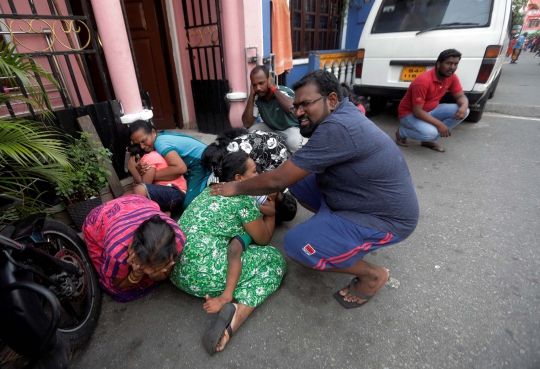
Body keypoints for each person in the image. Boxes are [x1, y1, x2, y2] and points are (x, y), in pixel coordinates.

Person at [210, 69, 419, 310]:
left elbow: (277, 181)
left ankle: (373, 275)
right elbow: (285, 176)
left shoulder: (338, 128)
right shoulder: (341, 115)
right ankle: (333, 235)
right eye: (296, 106)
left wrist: (235, 187)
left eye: (306, 104)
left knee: (297, 245)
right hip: (362, 198)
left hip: (386, 219)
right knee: (295, 178)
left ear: (331, 100)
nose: (298, 112)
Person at [170, 150, 286, 355]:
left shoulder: (210, 190)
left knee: (238, 242)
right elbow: (264, 238)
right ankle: (237, 313)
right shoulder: (243, 200)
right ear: (239, 179)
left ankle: (230, 301)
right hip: (205, 278)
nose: (258, 175)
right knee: (274, 259)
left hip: (176, 271)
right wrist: (273, 205)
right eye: (254, 172)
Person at [82, 195, 185, 302]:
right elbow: (118, 285)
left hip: (136, 202)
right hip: (98, 217)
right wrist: (136, 274)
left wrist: (155, 274)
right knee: (118, 290)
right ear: (132, 247)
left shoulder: (178, 240)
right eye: (143, 264)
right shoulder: (117, 252)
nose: (147, 271)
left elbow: (162, 274)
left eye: (155, 267)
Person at [202, 127, 297, 223]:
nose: (257, 175)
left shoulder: (277, 182)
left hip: (268, 141)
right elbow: (264, 230)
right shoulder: (260, 187)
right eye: (254, 171)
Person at [395, 49, 469, 153]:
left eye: (455, 64)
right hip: (409, 114)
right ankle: (402, 132)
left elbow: (461, 96)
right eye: (449, 63)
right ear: (439, 64)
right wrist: (440, 125)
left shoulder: (451, 77)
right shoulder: (423, 81)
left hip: (431, 110)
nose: (452, 67)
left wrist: (464, 106)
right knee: (430, 133)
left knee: (464, 110)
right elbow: (417, 111)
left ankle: (427, 141)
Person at [129, 120, 210, 210]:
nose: (142, 147)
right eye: (138, 144)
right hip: (191, 166)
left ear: (153, 132)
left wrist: (151, 176)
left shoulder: (160, 143)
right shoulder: (158, 140)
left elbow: (181, 169)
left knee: (188, 205)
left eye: (143, 141)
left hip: (203, 163)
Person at [241, 65, 302, 153]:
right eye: (255, 85)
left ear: (269, 80)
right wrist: (251, 96)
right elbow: (247, 124)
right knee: (250, 131)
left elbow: (291, 108)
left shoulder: (283, 91)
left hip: (290, 128)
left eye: (261, 83)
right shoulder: (257, 98)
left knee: (294, 143)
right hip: (272, 128)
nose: (258, 88)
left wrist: (274, 89)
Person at [126, 144, 187, 213]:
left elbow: (145, 184)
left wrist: (132, 168)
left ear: (136, 157)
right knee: (126, 195)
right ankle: (163, 212)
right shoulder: (153, 154)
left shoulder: (148, 158)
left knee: (140, 190)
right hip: (168, 193)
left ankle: (157, 214)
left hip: (176, 193)